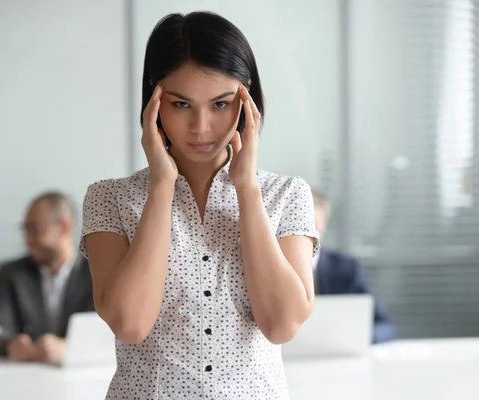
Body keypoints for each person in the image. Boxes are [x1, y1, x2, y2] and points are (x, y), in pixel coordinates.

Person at [81, 12, 319, 399]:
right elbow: (130, 324)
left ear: (247, 100)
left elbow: (281, 324)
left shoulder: (287, 195)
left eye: (221, 104)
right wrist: (161, 185)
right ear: (154, 102)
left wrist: (247, 190)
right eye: (181, 104)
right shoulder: (109, 198)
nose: (202, 127)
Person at [0, 191, 94, 364]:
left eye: (35, 229)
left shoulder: (95, 272)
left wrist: (69, 348)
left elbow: (111, 335)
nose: (27, 239)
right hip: (26, 380)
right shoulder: (13, 273)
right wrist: (10, 345)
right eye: (25, 229)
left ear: (64, 227)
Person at [312, 189, 397, 343]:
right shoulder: (270, 269)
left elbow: (385, 325)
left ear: (324, 225)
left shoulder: (345, 268)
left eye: (315, 225)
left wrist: (357, 339)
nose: (308, 234)